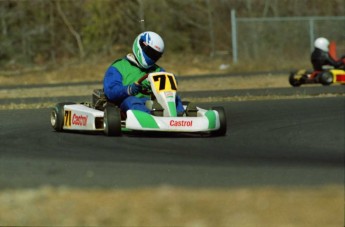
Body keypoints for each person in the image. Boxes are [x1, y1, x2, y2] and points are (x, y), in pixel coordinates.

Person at [103, 31, 194, 116]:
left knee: (175, 98)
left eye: (155, 55)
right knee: (132, 101)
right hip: (127, 103)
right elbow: (111, 92)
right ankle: (151, 118)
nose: (151, 57)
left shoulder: (158, 70)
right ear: (141, 45)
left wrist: (171, 81)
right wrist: (129, 89)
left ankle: (180, 117)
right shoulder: (119, 67)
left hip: (153, 103)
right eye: (150, 52)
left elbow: (167, 91)